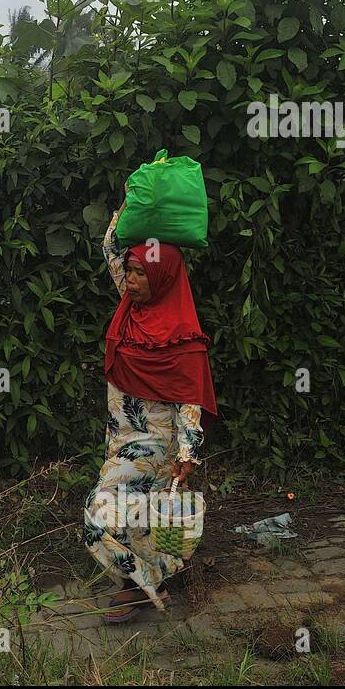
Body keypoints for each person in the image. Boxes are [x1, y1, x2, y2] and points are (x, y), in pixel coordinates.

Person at [83, 190, 218, 622]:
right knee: (137, 516)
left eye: (140, 273)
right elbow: (111, 248)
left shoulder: (182, 335)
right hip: (120, 436)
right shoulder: (130, 305)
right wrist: (130, 202)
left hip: (154, 445)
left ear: (160, 277)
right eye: (130, 272)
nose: (131, 279)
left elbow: (190, 398)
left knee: (99, 514)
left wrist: (187, 454)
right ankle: (148, 580)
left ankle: (143, 584)